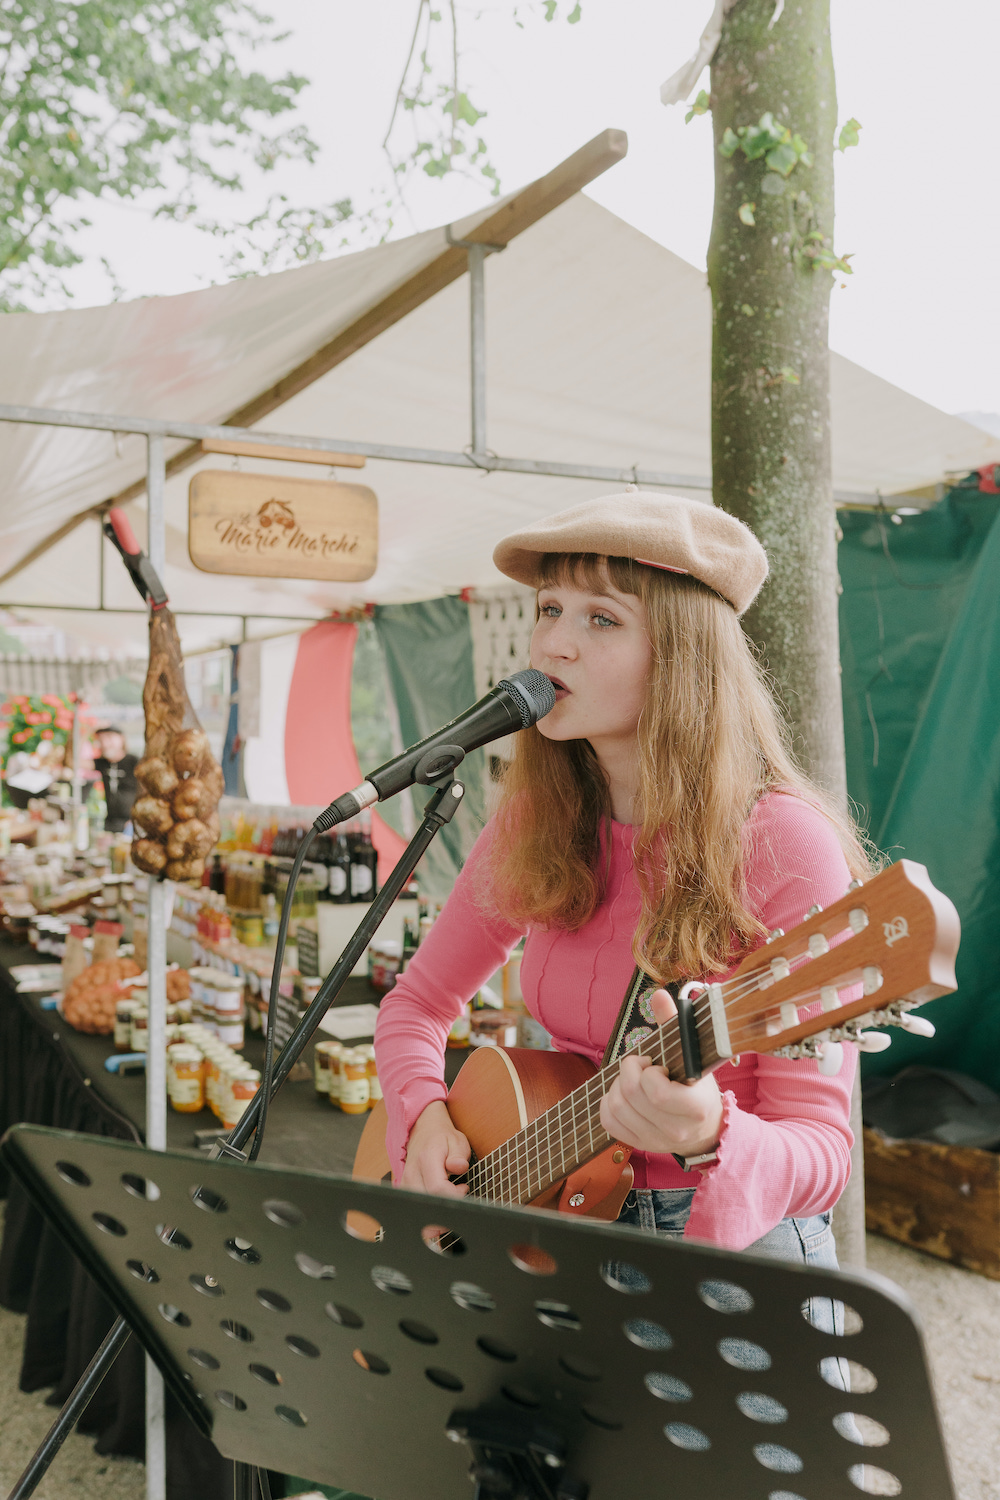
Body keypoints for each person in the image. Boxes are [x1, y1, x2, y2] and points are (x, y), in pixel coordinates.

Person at [374, 491, 873, 1266]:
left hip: (727, 1255)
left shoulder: (782, 842)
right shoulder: (536, 817)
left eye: (601, 619)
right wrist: (422, 1113)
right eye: (549, 609)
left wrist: (711, 1132)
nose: (552, 646)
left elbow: (823, 1155)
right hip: (558, 1234)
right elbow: (417, 1004)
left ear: (684, 656)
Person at [92, 725, 139, 833]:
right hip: (110, 823)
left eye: (109, 738)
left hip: (131, 824)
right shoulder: (102, 763)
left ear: (121, 739)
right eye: (101, 739)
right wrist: (86, 732)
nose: (105, 743)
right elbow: (73, 761)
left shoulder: (134, 762)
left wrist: (136, 818)